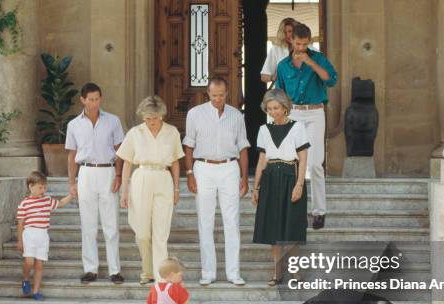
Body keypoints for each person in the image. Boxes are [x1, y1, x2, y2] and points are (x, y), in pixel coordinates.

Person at [183, 77, 250, 286]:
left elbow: (243, 147)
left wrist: (244, 176)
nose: (218, 99)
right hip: (203, 168)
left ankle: (233, 273)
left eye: (221, 95)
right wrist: (189, 173)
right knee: (205, 221)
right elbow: (189, 145)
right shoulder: (195, 114)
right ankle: (208, 272)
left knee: (232, 221)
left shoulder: (236, 115)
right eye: (214, 95)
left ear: (227, 93)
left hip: (230, 167)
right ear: (208, 93)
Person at [276, 23, 338, 230]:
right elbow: (280, 94)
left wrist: (310, 63)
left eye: (304, 44)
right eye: (298, 43)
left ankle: (319, 212)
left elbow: (331, 80)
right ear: (291, 41)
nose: (301, 48)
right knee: (290, 163)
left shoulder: (318, 59)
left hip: (314, 112)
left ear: (309, 42)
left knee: (315, 164)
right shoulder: (283, 65)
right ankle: (294, 211)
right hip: (293, 113)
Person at [117, 96, 184, 284]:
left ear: (161, 115)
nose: (150, 122)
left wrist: (177, 188)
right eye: (147, 118)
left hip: (164, 177)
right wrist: (124, 191)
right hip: (141, 178)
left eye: (154, 118)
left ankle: (161, 277)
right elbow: (127, 163)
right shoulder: (135, 133)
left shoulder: (172, 132)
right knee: (142, 233)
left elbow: (176, 162)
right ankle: (147, 271)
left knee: (161, 233)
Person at [65, 83, 125, 284]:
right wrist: (71, 182)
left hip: (107, 171)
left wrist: (118, 176)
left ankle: (114, 270)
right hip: (86, 173)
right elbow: (72, 154)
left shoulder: (113, 121)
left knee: (111, 224)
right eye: (90, 99)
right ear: (83, 100)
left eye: (97, 98)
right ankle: (90, 269)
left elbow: (120, 151)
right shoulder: (73, 125)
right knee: (88, 224)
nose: (94, 102)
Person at [251, 90, 309, 286]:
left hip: (290, 177)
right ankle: (277, 273)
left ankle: (295, 273)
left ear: (285, 107)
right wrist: (256, 187)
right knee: (273, 230)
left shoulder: (298, 127)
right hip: (270, 180)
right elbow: (261, 161)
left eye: (276, 108)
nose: (273, 112)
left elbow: (303, 159)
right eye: (269, 109)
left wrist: (299, 184)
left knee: (291, 228)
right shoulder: (263, 129)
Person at [17, 171, 73, 300]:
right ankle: (25, 279)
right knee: (29, 262)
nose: (43, 190)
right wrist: (20, 241)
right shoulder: (24, 203)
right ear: (31, 187)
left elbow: (61, 203)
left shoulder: (47, 200)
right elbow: (20, 224)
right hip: (29, 234)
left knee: (39, 265)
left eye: (44, 187)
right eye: (40, 187)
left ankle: (36, 291)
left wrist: (71, 195)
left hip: (43, 235)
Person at [260, 17, 298, 84]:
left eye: (290, 31)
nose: (288, 35)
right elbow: (263, 77)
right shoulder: (276, 49)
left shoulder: (308, 48)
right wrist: (273, 77)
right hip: (282, 92)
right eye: (284, 32)